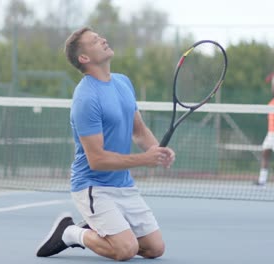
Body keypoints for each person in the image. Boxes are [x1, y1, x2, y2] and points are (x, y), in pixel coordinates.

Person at [36, 27, 175, 261]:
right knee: (125, 250)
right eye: (95, 40)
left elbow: (139, 130)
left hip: (123, 185)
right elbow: (97, 160)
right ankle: (71, 233)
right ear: (84, 58)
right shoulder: (86, 98)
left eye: (101, 37)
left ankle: (102, 229)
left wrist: (156, 151)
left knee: (155, 249)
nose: (103, 40)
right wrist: (144, 159)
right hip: (92, 186)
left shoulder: (122, 83)